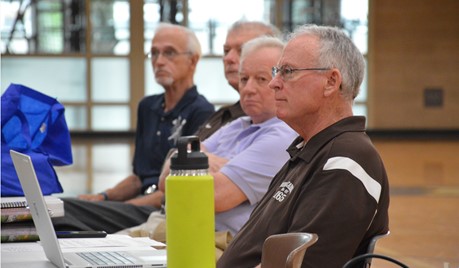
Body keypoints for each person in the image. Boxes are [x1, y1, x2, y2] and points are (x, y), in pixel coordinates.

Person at [217, 24, 390, 268]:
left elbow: (300, 264)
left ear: (331, 81)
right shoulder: (307, 149)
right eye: (277, 72)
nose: (274, 84)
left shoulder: (347, 160)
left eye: (287, 72)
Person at [53, 22, 215, 232]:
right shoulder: (148, 106)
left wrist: (119, 207)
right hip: (138, 203)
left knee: (62, 211)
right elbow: (138, 178)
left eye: (169, 53)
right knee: (60, 209)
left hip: (163, 209)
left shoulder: (202, 111)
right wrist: (102, 197)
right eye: (154, 53)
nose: (159, 61)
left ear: (193, 60)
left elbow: (181, 188)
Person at [158, 36, 297, 236]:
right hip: (180, 225)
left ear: (280, 83)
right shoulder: (236, 125)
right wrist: (219, 163)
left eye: (261, 79)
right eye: (243, 79)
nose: (248, 89)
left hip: (220, 242)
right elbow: (165, 181)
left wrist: (196, 162)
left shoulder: (282, 136)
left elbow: (211, 196)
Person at [195, 20, 281, 141]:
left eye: (242, 50)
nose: (228, 58)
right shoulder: (223, 113)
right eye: (226, 50)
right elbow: (182, 152)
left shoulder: (279, 124)